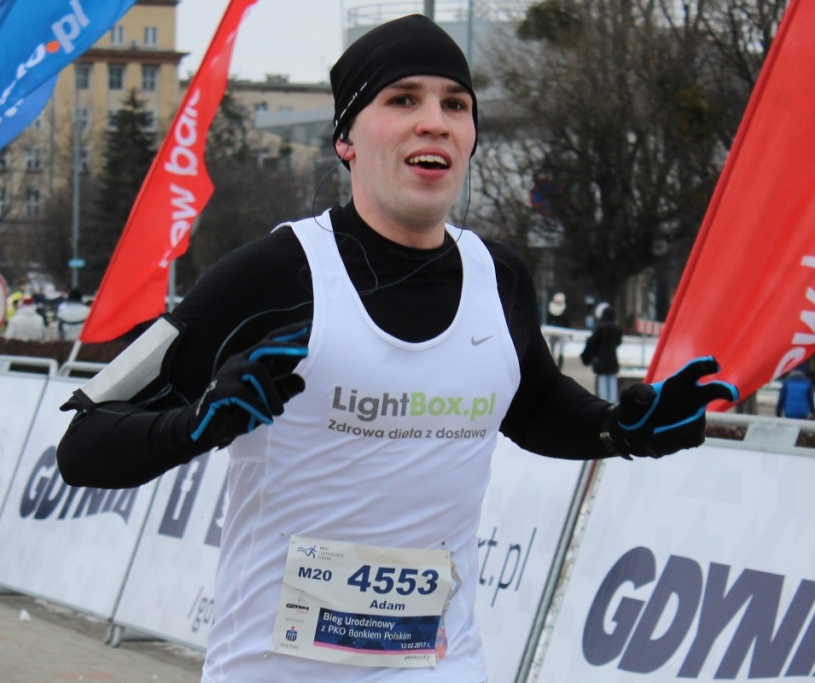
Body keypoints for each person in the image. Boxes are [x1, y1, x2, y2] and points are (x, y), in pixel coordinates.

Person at [54, 15, 737, 682]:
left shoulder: (499, 278)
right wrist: (198, 424)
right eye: (403, 99)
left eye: (455, 104)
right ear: (346, 138)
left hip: (438, 662)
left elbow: (532, 405)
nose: (434, 120)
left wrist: (620, 428)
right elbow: (82, 445)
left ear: (470, 136)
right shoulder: (270, 277)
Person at [580, 302, 622, 402]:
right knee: (612, 381)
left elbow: (593, 342)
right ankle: (613, 402)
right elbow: (618, 342)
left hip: (601, 358)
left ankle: (603, 402)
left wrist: (592, 355)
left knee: (602, 381)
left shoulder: (599, 327)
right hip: (612, 358)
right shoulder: (616, 328)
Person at [545, 291, 571, 370]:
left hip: (562, 333)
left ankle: (560, 366)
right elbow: (548, 320)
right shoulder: (550, 308)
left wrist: (568, 332)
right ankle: (552, 364)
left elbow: (566, 321)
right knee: (551, 349)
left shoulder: (564, 309)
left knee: (561, 350)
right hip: (552, 332)